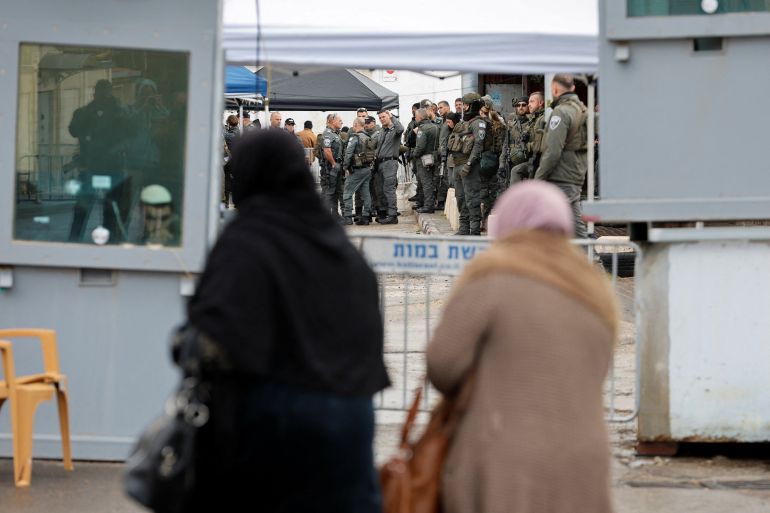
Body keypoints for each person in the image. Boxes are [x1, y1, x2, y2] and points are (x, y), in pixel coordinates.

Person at [186, 129, 390, 512]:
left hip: (273, 416)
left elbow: (217, 333)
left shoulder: (247, 239)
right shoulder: (337, 245)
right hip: (349, 414)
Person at [426, 180, 617, 513]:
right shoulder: (594, 290)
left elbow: (443, 366)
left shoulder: (491, 278)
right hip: (584, 458)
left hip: (504, 455)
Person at [67, 79, 133, 243]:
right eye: (101, 92)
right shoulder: (86, 112)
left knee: (106, 211)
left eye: (106, 92)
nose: (103, 96)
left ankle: (102, 242)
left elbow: (131, 134)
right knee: (85, 209)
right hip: (94, 167)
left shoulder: (119, 113)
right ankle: (76, 241)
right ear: (95, 94)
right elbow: (74, 130)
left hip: (109, 168)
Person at [534, 74, 589, 238]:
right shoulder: (583, 110)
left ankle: (590, 262)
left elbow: (553, 151)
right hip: (575, 174)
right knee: (577, 231)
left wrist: (538, 178)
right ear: (573, 88)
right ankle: (592, 262)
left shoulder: (560, 113)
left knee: (550, 229)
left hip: (561, 177)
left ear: (555, 89)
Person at [374, 109, 404, 224]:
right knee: (381, 190)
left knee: (389, 189)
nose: (382, 119)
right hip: (380, 163)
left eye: (384, 117)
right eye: (380, 117)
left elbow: (401, 129)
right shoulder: (382, 131)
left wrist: (392, 118)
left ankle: (392, 215)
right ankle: (386, 213)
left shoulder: (395, 129)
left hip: (390, 163)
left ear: (389, 116)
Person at [341, 118, 373, 225]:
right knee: (366, 193)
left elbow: (348, 154)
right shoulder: (368, 137)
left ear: (355, 125)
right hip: (367, 169)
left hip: (356, 169)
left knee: (347, 192)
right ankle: (365, 217)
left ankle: (348, 217)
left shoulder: (355, 138)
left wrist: (345, 167)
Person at [412, 107, 439, 213]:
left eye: (416, 116)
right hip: (434, 157)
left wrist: (414, 154)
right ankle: (429, 203)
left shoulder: (422, 129)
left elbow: (420, 147)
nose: (415, 118)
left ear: (419, 117)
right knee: (432, 182)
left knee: (426, 182)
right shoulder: (435, 126)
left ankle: (428, 205)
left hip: (424, 159)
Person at [320, 113, 345, 218]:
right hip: (330, 167)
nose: (341, 122)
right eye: (339, 120)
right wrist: (334, 163)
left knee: (336, 191)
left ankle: (335, 214)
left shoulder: (336, 133)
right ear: (332, 121)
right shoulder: (327, 133)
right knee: (328, 192)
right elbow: (327, 150)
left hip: (337, 166)